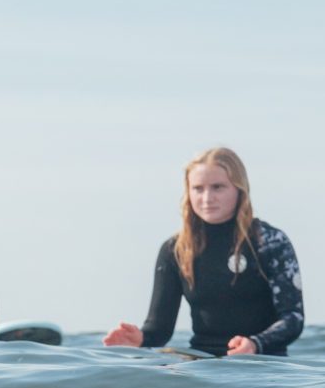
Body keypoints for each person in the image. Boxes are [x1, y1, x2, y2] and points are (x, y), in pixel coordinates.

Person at [104, 147, 304, 356]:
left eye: (218, 187)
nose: (207, 198)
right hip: (202, 364)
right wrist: (141, 339)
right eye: (198, 188)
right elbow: (159, 330)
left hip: (264, 365)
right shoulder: (176, 250)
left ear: (239, 189)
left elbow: (293, 318)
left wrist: (255, 344)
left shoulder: (270, 242)